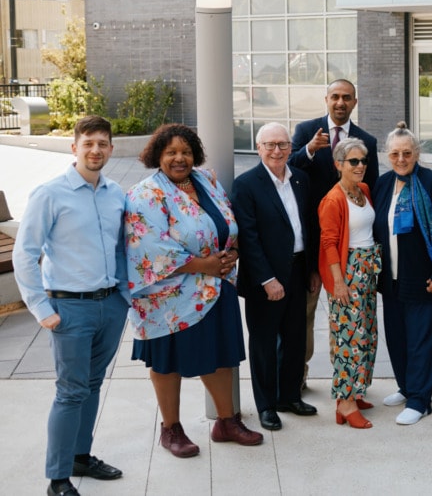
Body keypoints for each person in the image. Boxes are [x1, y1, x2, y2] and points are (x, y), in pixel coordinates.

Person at [124, 123, 262, 458]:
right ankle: (171, 429)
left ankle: (227, 422)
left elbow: (227, 225)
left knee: (220, 356)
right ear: (158, 155)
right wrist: (206, 265)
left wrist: (232, 252)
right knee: (167, 364)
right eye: (171, 152)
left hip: (215, 287)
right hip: (167, 296)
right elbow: (150, 248)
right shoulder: (145, 194)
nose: (179, 158)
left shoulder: (206, 181)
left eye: (186, 152)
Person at [13, 116, 129, 496]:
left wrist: (124, 297)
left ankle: (81, 456)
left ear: (111, 149)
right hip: (69, 310)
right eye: (88, 143)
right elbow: (24, 254)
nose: (95, 150)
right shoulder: (49, 194)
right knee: (70, 392)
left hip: (110, 306)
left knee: (92, 385)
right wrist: (40, 308)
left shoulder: (116, 194)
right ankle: (58, 479)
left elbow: (121, 247)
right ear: (74, 147)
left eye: (102, 143)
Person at [289, 79, 379, 387]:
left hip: (353, 252)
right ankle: (297, 378)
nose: (341, 102)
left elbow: (371, 189)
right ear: (326, 99)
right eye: (335, 96)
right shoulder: (306, 131)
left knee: (349, 320)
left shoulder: (367, 140)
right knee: (305, 315)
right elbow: (289, 168)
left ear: (355, 102)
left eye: (347, 97)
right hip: (314, 243)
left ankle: (346, 382)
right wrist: (309, 150)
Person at [231, 122, 318, 432]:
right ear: (259, 148)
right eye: (270, 145)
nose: (277, 150)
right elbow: (248, 238)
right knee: (264, 345)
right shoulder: (246, 184)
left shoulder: (301, 179)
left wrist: (312, 269)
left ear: (291, 148)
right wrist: (267, 279)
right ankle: (267, 405)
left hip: (298, 270)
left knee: (295, 339)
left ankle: (289, 397)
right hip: (265, 278)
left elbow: (310, 226)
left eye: (282, 144)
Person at [372, 122, 432, 425]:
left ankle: (420, 400)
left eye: (407, 153)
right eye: (395, 154)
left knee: (421, 341)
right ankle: (406, 388)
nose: (401, 159)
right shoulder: (383, 184)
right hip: (391, 279)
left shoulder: (431, 183)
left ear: (417, 153)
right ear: (387, 155)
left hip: (424, 279)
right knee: (397, 338)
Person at [319, 136, 381, 429]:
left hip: (368, 270)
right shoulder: (333, 199)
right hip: (348, 271)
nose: (360, 166)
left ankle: (355, 392)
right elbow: (329, 243)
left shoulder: (363, 190)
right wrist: (339, 282)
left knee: (366, 334)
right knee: (348, 338)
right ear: (338, 164)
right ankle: (344, 403)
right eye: (353, 161)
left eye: (363, 161)